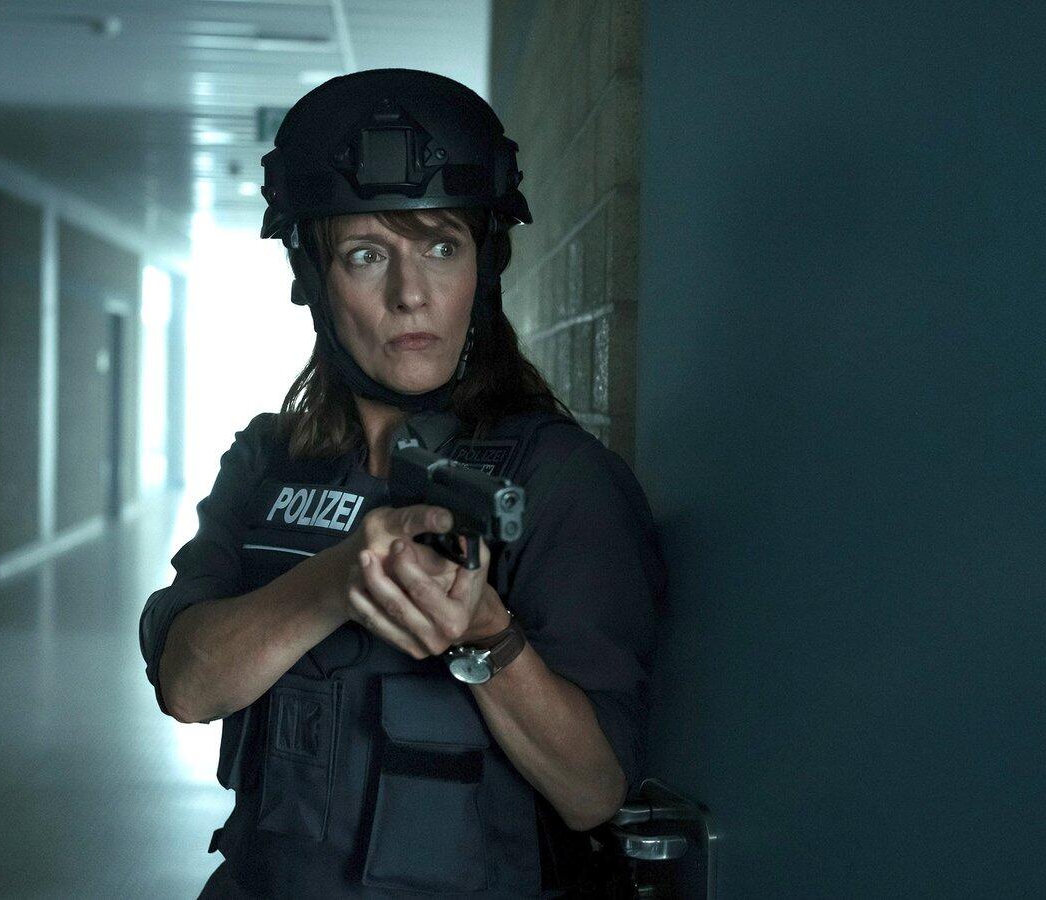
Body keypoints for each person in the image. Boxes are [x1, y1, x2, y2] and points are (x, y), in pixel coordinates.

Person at [137, 69, 664, 899]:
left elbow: (593, 790)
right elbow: (188, 685)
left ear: (485, 268)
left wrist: (488, 637)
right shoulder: (268, 459)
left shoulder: (561, 479)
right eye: (366, 255)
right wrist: (338, 580)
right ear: (312, 278)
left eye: (442, 247)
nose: (411, 294)